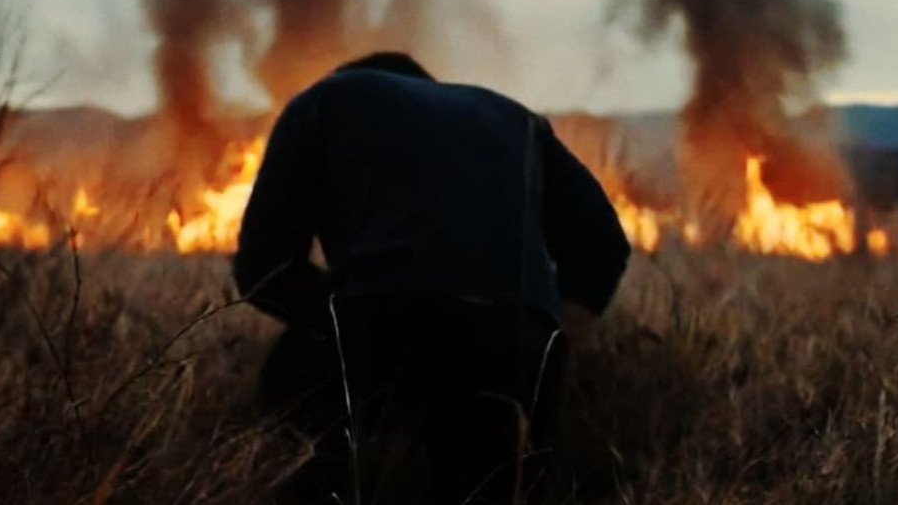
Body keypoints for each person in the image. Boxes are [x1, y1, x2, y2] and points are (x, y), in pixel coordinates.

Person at [233, 52, 630, 504]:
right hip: (515, 338)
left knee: (292, 381)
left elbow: (262, 266)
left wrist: (340, 318)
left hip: (384, 318)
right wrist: (552, 341)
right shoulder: (512, 117)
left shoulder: (326, 99)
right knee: (488, 483)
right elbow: (603, 243)